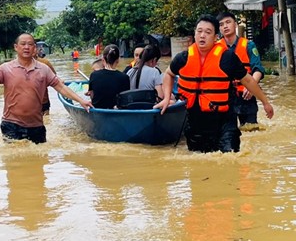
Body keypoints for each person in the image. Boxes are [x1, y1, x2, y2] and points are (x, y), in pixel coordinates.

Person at [154, 15, 274, 153]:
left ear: (216, 37)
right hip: (195, 122)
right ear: (194, 34)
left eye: (207, 32)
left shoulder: (227, 58)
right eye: (199, 31)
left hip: (224, 122)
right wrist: (166, 98)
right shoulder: (184, 57)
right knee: (198, 163)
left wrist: (265, 102)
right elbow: (169, 74)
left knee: (230, 158)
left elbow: (247, 80)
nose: (202, 35)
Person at [0, 33, 92, 143]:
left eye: (30, 44)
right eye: (23, 44)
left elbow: (61, 88)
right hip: (11, 125)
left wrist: (81, 100)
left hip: (37, 126)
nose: (26, 47)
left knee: (39, 167)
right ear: (16, 47)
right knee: (15, 166)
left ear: (35, 48)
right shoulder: (5, 69)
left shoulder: (43, 69)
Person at [217, 11, 266, 128]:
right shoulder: (216, 48)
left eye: (228, 22)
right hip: (225, 97)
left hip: (246, 95)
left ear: (235, 24)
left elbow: (257, 69)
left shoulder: (249, 45)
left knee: (250, 130)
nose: (225, 26)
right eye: (221, 24)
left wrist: (251, 86)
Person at [88, 44, 130, 109]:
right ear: (118, 60)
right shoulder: (125, 77)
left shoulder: (94, 75)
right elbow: (125, 99)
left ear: (103, 60)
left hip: (98, 110)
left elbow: (92, 95)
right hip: (116, 111)